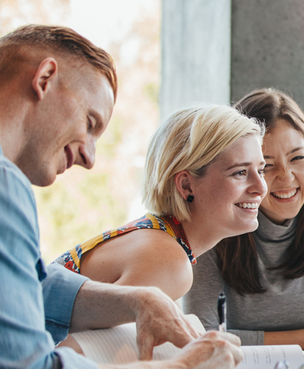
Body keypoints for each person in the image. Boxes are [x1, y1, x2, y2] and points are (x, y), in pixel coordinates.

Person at [0, 25, 243, 369]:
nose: (90, 158)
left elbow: (20, 284)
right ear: (44, 79)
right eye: (90, 123)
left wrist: (137, 300)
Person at [184, 88, 304, 350]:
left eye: (297, 158)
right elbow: (201, 339)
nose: (286, 177)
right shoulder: (214, 222)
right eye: (266, 166)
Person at [54, 104, 267, 301]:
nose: (261, 187)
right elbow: (74, 342)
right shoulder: (169, 262)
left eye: (261, 170)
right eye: (240, 172)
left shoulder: (159, 237)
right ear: (186, 185)